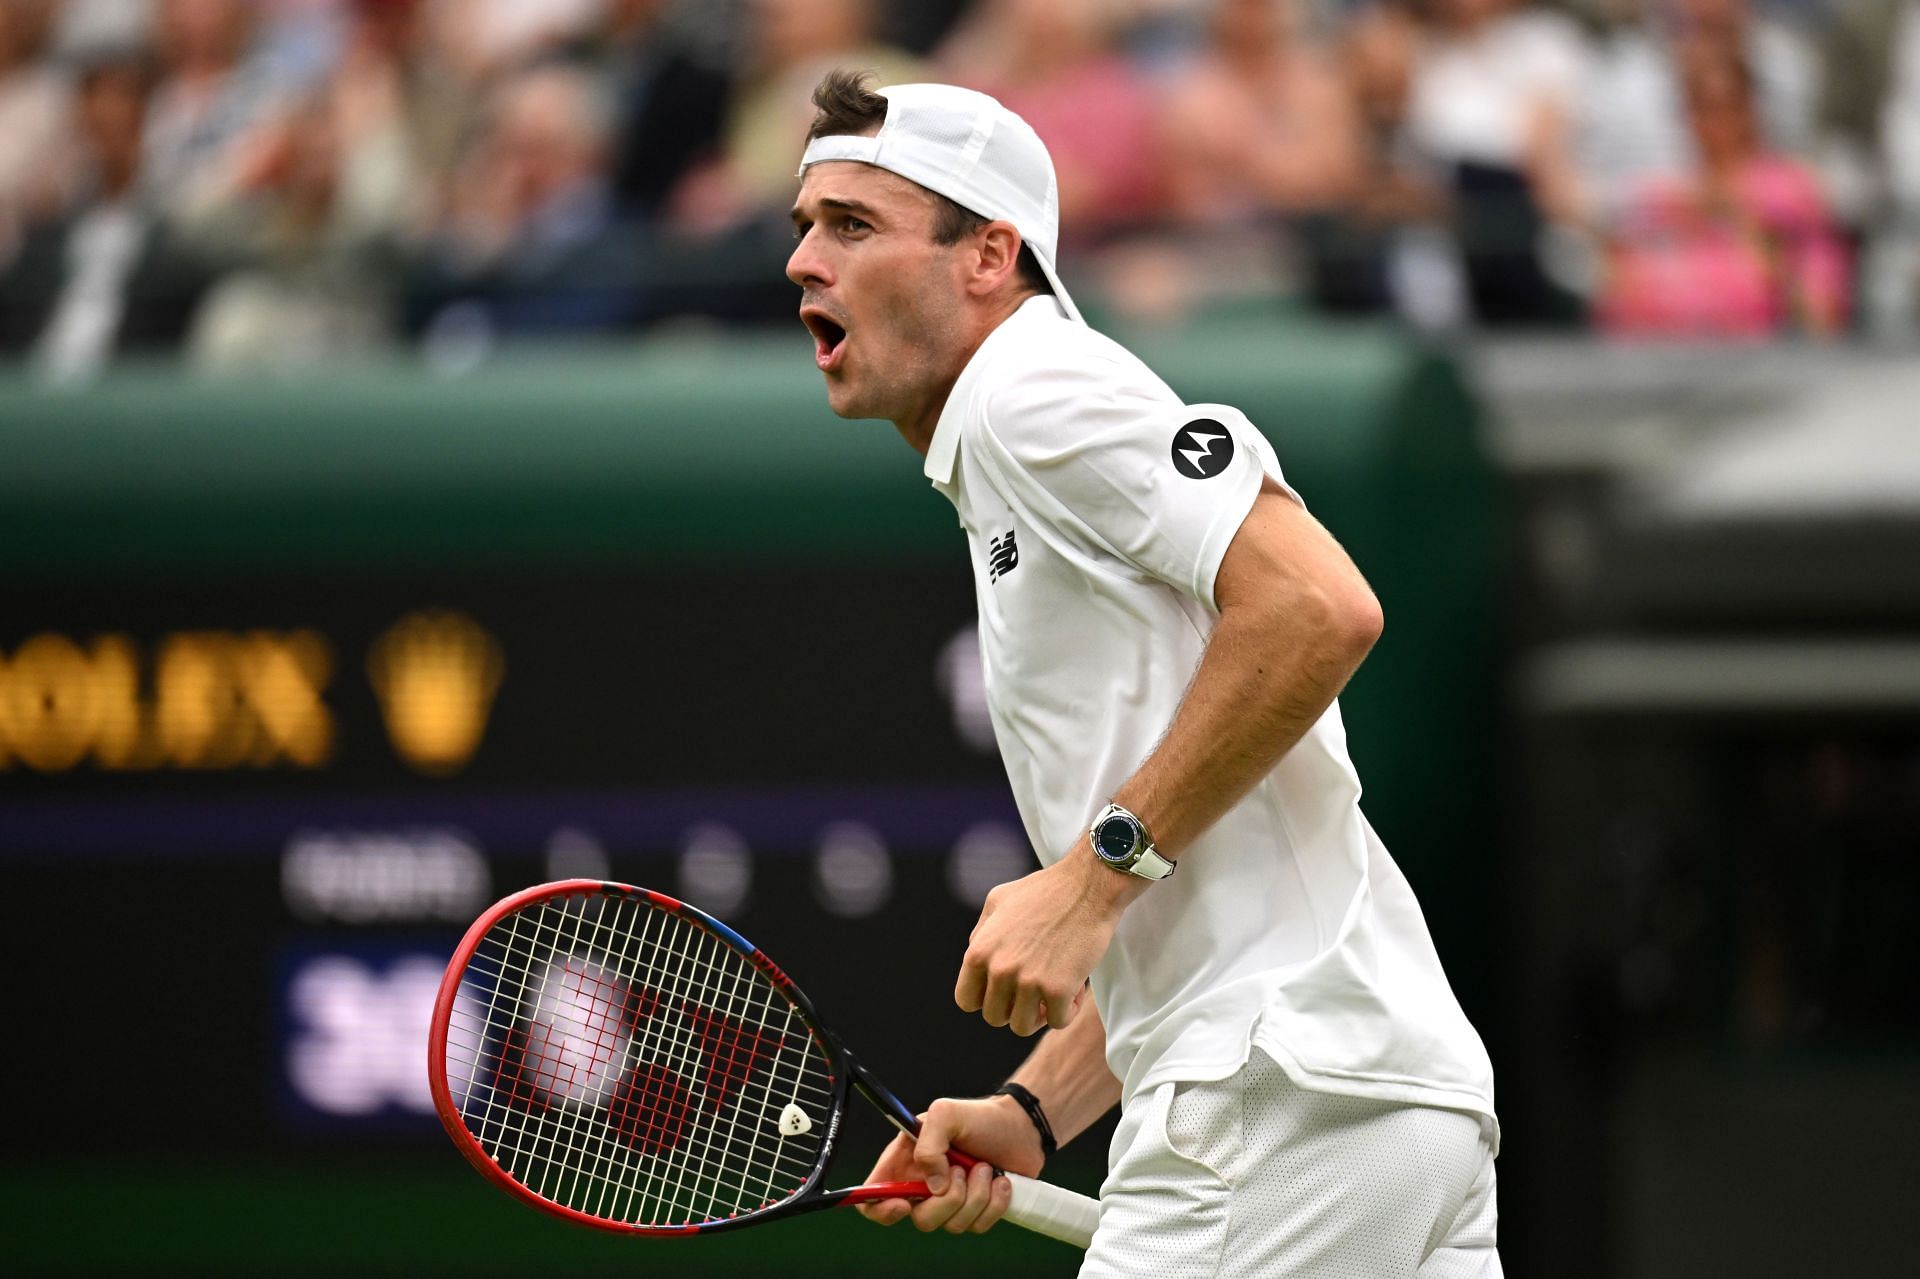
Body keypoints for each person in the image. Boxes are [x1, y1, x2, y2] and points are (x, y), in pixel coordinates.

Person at [784, 69, 1501, 1277]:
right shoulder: (1008, 458)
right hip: (1377, 1105)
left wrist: (1093, 874)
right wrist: (1029, 1115)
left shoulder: (1029, 389)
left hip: (1271, 1108)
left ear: (987, 257)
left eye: (855, 226)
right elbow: (1205, 881)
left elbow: (1321, 608)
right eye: (804, 227)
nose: (807, 260)